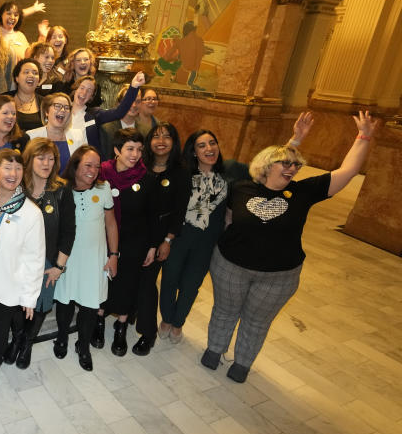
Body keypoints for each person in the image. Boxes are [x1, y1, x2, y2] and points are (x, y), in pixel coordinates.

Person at [201, 111, 375, 383]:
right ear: (266, 165)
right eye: (286, 164)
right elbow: (227, 220)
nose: (292, 169)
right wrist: (294, 140)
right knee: (224, 310)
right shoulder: (241, 188)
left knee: (257, 321)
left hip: (278, 276)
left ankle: (243, 363)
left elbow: (348, 171)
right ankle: (214, 350)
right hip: (231, 266)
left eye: (296, 166)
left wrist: (363, 137)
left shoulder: (303, 192)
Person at [158, 114, 313, 343]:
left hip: (208, 241)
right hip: (180, 236)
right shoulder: (183, 173)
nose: (209, 148)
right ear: (194, 151)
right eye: (202, 145)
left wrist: (295, 140)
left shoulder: (231, 170)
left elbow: (268, 166)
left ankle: (178, 323)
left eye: (212, 143)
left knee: (192, 284)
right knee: (170, 279)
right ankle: (166, 319)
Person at [0, 148, 45, 390]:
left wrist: (29, 296)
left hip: (7, 283)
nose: (13, 173)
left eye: (18, 168)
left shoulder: (31, 213)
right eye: (7, 167)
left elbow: (35, 258)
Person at [52, 147, 118, 370]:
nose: (93, 171)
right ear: (75, 165)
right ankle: (62, 337)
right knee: (65, 301)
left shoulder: (104, 188)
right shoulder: (62, 189)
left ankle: (83, 345)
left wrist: (114, 255)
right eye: (88, 165)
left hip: (95, 259)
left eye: (97, 166)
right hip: (68, 257)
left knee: (90, 306)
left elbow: (111, 224)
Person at [98, 128, 161, 357]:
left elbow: (154, 215)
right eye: (130, 149)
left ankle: (121, 326)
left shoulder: (147, 179)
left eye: (139, 150)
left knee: (127, 283)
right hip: (102, 239)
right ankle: (99, 319)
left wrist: (153, 245)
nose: (135, 154)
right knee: (102, 280)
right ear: (117, 150)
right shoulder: (101, 173)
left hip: (135, 241)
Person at [131, 123, 189, 356]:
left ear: (174, 142)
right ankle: (127, 316)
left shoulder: (180, 171)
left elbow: (180, 210)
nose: (161, 140)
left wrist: (168, 240)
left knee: (147, 283)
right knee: (130, 277)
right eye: (156, 136)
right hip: (134, 233)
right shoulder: (140, 165)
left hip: (159, 237)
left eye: (167, 136)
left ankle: (148, 332)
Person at [19, 138, 74, 367]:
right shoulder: (17, 186)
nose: (46, 163)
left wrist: (58, 267)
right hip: (18, 261)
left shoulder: (61, 190)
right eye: (41, 157)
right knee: (16, 307)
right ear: (30, 159)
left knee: (40, 307)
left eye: (51, 159)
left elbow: (68, 232)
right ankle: (17, 339)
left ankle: (26, 344)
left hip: (48, 263)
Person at [75, 71, 145, 156]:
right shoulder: (63, 111)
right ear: (75, 89)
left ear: (91, 97)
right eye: (82, 88)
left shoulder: (94, 114)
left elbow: (119, 112)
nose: (84, 92)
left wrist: (134, 87)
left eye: (89, 90)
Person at [26, 92, 86, 175]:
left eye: (66, 107)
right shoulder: (31, 136)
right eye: (57, 106)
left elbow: (84, 166)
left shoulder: (78, 135)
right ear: (47, 111)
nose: (62, 110)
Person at [5, 59, 45, 131]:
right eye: (26, 72)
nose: (31, 75)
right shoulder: (4, 99)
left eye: (35, 73)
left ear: (39, 81)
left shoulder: (45, 103)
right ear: (17, 78)